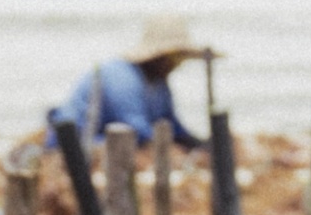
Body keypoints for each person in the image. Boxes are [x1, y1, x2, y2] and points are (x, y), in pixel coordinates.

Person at [47, 16, 211, 148]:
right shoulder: (122, 78)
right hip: (79, 146)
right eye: (174, 57)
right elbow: (139, 132)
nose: (177, 64)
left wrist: (200, 145)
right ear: (160, 55)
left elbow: (173, 127)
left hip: (119, 143)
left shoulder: (159, 85)